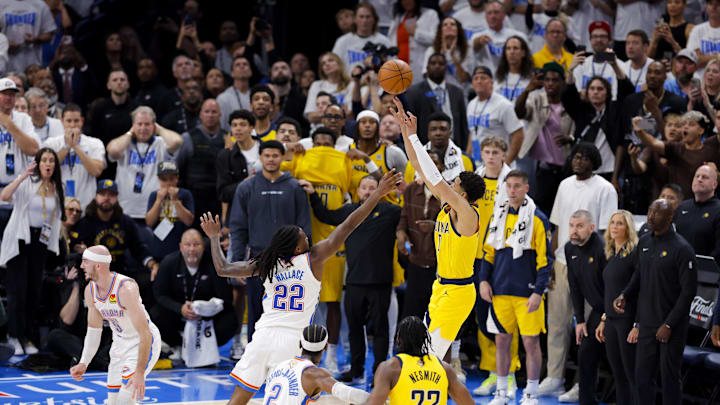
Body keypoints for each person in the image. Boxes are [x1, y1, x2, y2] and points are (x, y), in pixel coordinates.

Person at [200, 169, 401, 405]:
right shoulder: (313, 259)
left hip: (262, 337)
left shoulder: (265, 263)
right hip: (294, 342)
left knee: (237, 400)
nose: (308, 236)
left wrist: (214, 238)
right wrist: (377, 195)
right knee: (300, 399)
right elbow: (348, 225)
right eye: (303, 237)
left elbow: (223, 268)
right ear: (297, 249)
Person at [392, 98, 486, 360]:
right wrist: (406, 133)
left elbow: (435, 176)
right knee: (430, 356)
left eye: (454, 184)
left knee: (429, 357)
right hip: (439, 286)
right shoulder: (449, 206)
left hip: (457, 292)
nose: (449, 185)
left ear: (464, 195)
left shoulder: (468, 215)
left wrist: (414, 135)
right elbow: (421, 168)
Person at [302, 175, 401, 384]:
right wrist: (312, 195)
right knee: (355, 329)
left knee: (381, 330)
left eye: (372, 188)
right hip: (354, 281)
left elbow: (410, 219)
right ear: (357, 191)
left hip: (381, 281)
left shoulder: (392, 212)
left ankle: (379, 374)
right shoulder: (350, 212)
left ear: (381, 190)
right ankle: (356, 370)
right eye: (364, 187)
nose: (367, 191)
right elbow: (326, 216)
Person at [541, 143, 617, 398]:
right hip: (563, 262)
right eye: (575, 156)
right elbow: (556, 224)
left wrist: (603, 270)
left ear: (594, 161)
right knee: (557, 323)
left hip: (591, 266)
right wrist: (552, 262)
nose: (577, 160)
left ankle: (582, 385)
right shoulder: (564, 185)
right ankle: (554, 376)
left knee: (586, 329)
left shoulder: (606, 189)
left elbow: (608, 233)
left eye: (583, 157)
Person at [228, 140, 312, 347]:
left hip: (289, 261)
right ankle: (255, 357)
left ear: (283, 157)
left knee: (288, 313)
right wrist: (237, 262)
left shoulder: (295, 187)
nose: (271, 159)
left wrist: (302, 261)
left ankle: (288, 356)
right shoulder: (246, 187)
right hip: (259, 258)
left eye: (275, 155)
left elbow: (304, 228)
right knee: (257, 310)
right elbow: (238, 227)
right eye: (267, 155)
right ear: (261, 158)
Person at [614, 199, 697, 405]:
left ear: (669, 218)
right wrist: (625, 294)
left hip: (672, 325)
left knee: (669, 378)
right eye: (650, 211)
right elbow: (639, 275)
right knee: (642, 377)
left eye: (657, 213)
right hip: (648, 323)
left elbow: (689, 292)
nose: (651, 216)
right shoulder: (644, 242)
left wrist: (668, 324)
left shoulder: (682, 249)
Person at [479, 170, 551, 405]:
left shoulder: (538, 219)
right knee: (501, 342)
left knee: (531, 343)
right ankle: (501, 392)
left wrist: (538, 292)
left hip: (527, 294)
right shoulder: (497, 217)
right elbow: (487, 254)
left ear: (526, 189)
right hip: (500, 292)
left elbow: (544, 261)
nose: (512, 190)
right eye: (508, 186)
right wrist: (483, 281)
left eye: (517, 186)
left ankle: (531, 393)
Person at [69, 246, 162, 405]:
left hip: (142, 343)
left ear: (98, 265)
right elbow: (93, 331)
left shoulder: (125, 289)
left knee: (124, 400)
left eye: (85, 261)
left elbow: (145, 333)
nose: (81, 266)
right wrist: (84, 362)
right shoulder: (90, 291)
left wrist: (139, 372)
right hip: (119, 344)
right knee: (113, 401)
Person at [0, 148, 64, 355]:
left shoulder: (57, 186)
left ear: (55, 165)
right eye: (44, 160)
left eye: (51, 160)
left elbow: (56, 218)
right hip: (21, 239)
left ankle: (27, 337)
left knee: (33, 291)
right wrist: (21, 178)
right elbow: (5, 195)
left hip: (41, 242)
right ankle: (14, 336)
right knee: (17, 291)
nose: (48, 164)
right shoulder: (27, 182)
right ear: (38, 163)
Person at [150, 229, 235, 355]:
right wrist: (180, 309)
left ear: (203, 246)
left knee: (230, 320)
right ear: (180, 247)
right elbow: (160, 294)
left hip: (208, 317)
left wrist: (205, 310)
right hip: (178, 316)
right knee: (156, 313)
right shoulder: (169, 263)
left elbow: (226, 297)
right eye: (187, 245)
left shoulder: (214, 264)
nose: (192, 249)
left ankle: (208, 347)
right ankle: (177, 345)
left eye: (196, 244)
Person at [361, 316, 475, 405]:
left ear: (398, 339)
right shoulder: (444, 368)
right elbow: (468, 403)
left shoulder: (390, 368)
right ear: (425, 339)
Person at [514, 62, 574, 215]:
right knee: (539, 209)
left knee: (562, 211)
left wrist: (570, 138)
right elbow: (520, 112)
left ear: (563, 82)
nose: (550, 83)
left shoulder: (570, 102)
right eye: (547, 80)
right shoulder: (537, 99)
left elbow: (578, 129)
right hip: (541, 167)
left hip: (564, 166)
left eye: (555, 80)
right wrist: (527, 90)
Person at [106, 106, 183, 221]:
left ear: (153, 125)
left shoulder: (160, 143)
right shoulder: (125, 143)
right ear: (133, 125)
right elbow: (113, 150)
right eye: (139, 124)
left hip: (153, 211)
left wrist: (159, 130)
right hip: (125, 209)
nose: (143, 128)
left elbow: (177, 141)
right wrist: (130, 133)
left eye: (147, 124)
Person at [263, 324, 371, 404]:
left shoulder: (279, 366)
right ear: (326, 347)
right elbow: (352, 394)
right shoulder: (316, 375)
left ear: (300, 343)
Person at [595, 210, 639, 405]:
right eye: (612, 222)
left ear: (628, 228)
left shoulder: (634, 255)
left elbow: (640, 291)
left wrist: (637, 325)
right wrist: (603, 319)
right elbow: (609, 292)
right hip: (611, 321)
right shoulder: (611, 254)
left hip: (627, 321)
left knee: (632, 374)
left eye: (620, 223)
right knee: (618, 374)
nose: (614, 227)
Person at [565, 210, 607, 405]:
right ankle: (587, 400)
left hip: (617, 310)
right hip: (598, 309)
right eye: (572, 226)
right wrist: (580, 320)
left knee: (619, 361)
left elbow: (613, 287)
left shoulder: (603, 248)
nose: (574, 231)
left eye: (579, 226)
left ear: (591, 228)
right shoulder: (569, 249)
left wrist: (606, 319)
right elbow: (575, 287)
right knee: (586, 353)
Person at [396, 150, 442, 320]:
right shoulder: (411, 191)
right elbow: (404, 218)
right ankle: (410, 347)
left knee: (437, 316)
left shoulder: (450, 193)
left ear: (441, 167)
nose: (429, 166)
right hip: (415, 262)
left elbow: (459, 228)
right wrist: (401, 234)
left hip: (439, 265)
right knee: (411, 314)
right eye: (425, 162)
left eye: (434, 162)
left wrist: (435, 227)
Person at [46, 256, 113, 371]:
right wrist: (76, 287)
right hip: (80, 340)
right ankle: (95, 361)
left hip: (104, 337)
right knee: (54, 336)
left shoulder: (109, 285)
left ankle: (89, 361)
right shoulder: (71, 286)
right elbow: (67, 319)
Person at [632, 111, 718, 198]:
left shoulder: (711, 151)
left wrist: (716, 173)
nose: (686, 127)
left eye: (691, 124)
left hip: (701, 203)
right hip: (675, 203)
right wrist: (640, 131)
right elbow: (653, 143)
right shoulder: (675, 148)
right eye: (684, 124)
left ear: (701, 130)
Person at [42, 103, 105, 208]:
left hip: (86, 205)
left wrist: (76, 147)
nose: (72, 125)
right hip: (57, 205)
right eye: (69, 121)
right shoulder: (51, 143)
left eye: (76, 121)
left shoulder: (95, 143)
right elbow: (46, 170)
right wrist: (66, 147)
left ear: (82, 121)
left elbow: (96, 171)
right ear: (62, 121)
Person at [0, 77, 40, 235]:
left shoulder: (23, 119)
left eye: (12, 94)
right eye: (5, 93)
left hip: (19, 190)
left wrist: (9, 123)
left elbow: (32, 149)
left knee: (17, 245)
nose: (9, 97)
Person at [174, 99, 223, 228]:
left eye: (214, 112)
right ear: (200, 114)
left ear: (220, 114)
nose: (210, 115)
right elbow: (176, 169)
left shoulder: (228, 138)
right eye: (207, 111)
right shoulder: (188, 138)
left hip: (219, 199)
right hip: (193, 199)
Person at [405, 53, 469, 149]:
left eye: (441, 63)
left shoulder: (457, 92)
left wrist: (463, 148)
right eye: (433, 63)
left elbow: (463, 124)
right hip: (425, 148)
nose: (437, 66)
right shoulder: (413, 92)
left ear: (446, 68)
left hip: (454, 146)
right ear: (427, 67)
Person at [466, 66, 524, 165]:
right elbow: (473, 133)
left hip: (498, 162)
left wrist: (507, 163)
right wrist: (467, 159)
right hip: (478, 163)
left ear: (492, 83)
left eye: (483, 78)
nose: (479, 81)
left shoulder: (503, 104)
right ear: (472, 83)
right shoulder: (471, 104)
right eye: (476, 78)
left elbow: (518, 134)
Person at [216, 110, 258, 226]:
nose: (238, 129)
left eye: (243, 125)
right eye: (234, 125)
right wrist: (245, 182)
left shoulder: (265, 149)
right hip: (239, 213)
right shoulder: (225, 155)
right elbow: (223, 193)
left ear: (251, 128)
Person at [145, 161, 194, 259]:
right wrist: (158, 201)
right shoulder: (154, 195)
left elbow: (189, 221)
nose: (168, 183)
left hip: (180, 245)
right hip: (159, 245)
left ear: (177, 178)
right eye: (164, 179)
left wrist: (175, 200)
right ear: (159, 179)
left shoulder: (185, 194)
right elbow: (149, 222)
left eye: (171, 179)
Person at [673, 165, 720, 263]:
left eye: (705, 177)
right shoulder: (682, 207)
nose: (699, 179)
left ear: (714, 184)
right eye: (697, 176)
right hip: (680, 267)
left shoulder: (718, 210)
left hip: (708, 271)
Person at [331, 2, 391, 75]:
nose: (364, 21)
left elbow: (394, 68)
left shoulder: (384, 41)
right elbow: (334, 66)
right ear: (355, 19)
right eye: (361, 17)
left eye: (368, 17)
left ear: (374, 19)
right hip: (349, 83)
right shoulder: (342, 41)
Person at [388, 0, 439, 83]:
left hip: (419, 70)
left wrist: (416, 33)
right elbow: (391, 42)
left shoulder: (431, 15)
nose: (407, 1)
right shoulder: (398, 18)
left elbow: (436, 39)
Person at [470, 1, 528, 73]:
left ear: (504, 15)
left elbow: (527, 60)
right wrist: (479, 42)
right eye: (489, 13)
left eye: (496, 12)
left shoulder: (519, 36)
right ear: (485, 16)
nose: (493, 16)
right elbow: (473, 49)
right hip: (489, 80)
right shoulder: (477, 36)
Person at [571, 21, 624, 100]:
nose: (598, 40)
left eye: (602, 36)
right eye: (595, 36)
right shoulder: (581, 64)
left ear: (610, 40)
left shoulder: (619, 65)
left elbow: (616, 95)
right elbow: (577, 92)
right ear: (590, 39)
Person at [0, 0, 56, 72]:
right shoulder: (1, 4)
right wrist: (5, 44)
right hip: (6, 64)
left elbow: (49, 33)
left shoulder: (40, 4)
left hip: (33, 63)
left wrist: (36, 39)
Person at [89, 70, 137, 146]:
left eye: (122, 79)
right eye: (115, 80)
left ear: (128, 84)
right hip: (105, 151)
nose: (119, 82)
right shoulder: (100, 108)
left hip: (132, 150)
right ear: (108, 85)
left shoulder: (136, 107)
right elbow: (94, 135)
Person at [422, 17, 473, 87]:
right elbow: (427, 77)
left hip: (461, 93)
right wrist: (441, 55)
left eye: (452, 24)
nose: (449, 26)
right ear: (440, 31)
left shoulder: (467, 50)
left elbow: (463, 79)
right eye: (445, 25)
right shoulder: (431, 50)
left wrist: (453, 57)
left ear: (458, 30)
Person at [304, 53, 352, 122]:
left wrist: (322, 113)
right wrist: (339, 112)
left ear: (339, 64)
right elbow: (311, 117)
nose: (327, 64)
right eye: (323, 63)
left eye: (330, 60)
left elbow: (350, 115)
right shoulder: (316, 85)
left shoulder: (350, 84)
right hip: (319, 129)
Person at [217, 57, 252, 132]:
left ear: (250, 72)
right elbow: (221, 127)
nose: (242, 66)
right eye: (238, 65)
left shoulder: (256, 97)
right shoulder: (223, 98)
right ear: (232, 73)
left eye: (245, 64)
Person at [494, 36, 534, 102]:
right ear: (505, 53)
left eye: (515, 48)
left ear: (523, 53)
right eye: (508, 48)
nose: (512, 52)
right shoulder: (498, 77)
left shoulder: (531, 78)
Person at [686, 0, 720, 78]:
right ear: (706, 6)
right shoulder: (697, 30)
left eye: (718, 4)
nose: (714, 7)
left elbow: (700, 59)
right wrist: (718, 56)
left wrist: (704, 57)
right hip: (700, 80)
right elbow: (693, 62)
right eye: (711, 4)